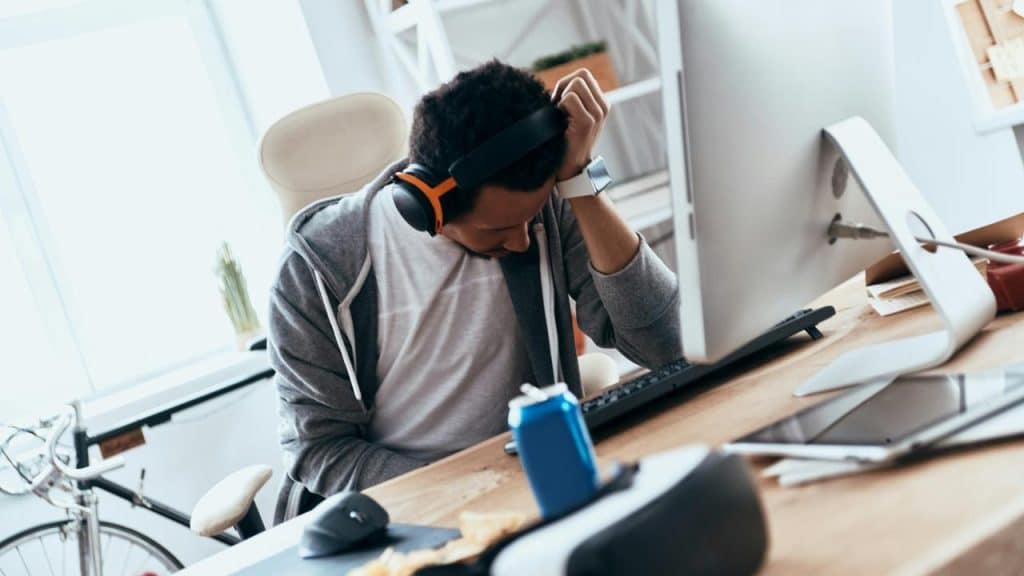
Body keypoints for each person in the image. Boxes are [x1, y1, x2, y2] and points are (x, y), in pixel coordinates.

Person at [268, 60, 681, 522]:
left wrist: (581, 181)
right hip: (406, 513)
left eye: (530, 219)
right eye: (500, 227)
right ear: (428, 203)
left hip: (535, 484)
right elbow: (319, 449)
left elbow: (668, 341)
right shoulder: (315, 270)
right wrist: (470, 490)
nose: (524, 240)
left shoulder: (540, 206)